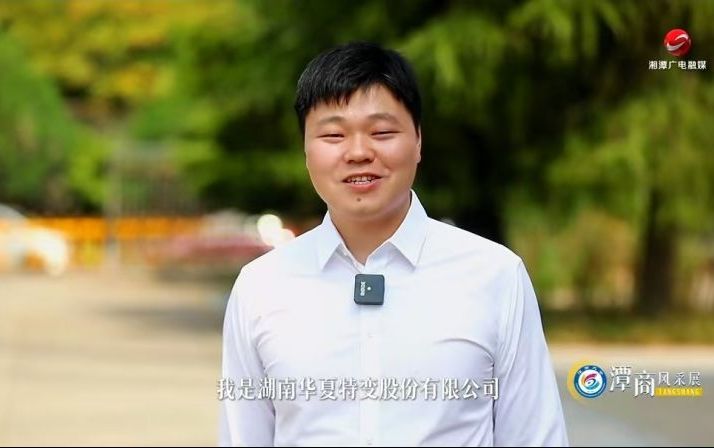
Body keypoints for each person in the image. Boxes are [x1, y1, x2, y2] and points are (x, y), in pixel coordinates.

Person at [219, 42, 568, 447]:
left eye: (382, 132)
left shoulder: (495, 275)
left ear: (418, 140)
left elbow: (535, 436)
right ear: (306, 150)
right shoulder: (261, 286)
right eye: (333, 135)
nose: (358, 152)